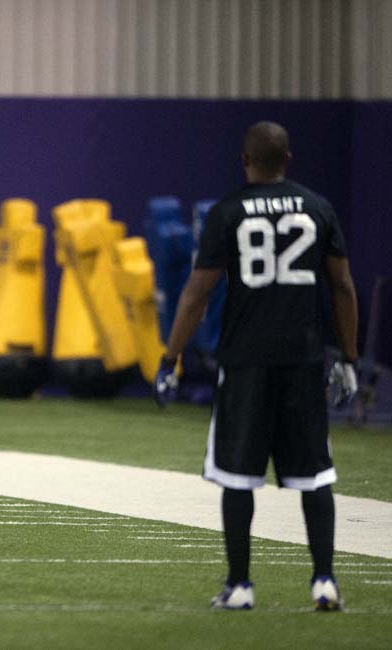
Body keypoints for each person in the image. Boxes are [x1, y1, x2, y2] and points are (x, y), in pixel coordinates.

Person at [154, 121, 358, 610]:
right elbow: (344, 288)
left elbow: (197, 292)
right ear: (288, 160)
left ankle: (241, 586)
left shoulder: (227, 212)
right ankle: (325, 581)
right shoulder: (318, 207)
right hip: (303, 358)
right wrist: (349, 358)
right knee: (315, 476)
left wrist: (170, 356)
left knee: (238, 475)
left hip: (245, 359)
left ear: (244, 161)